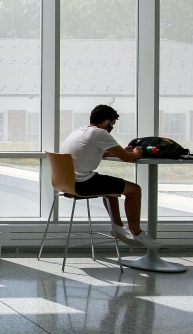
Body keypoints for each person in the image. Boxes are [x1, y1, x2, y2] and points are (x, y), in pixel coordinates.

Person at [60, 104, 161, 248]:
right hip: (82, 184)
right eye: (112, 124)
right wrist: (137, 153)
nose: (111, 128)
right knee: (134, 190)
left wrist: (121, 152)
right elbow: (127, 158)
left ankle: (118, 227)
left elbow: (97, 151)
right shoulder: (99, 133)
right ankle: (137, 233)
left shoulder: (79, 131)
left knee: (111, 188)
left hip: (67, 182)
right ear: (107, 122)